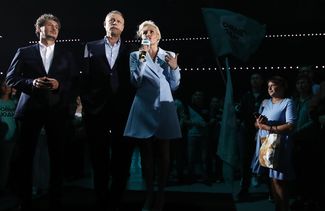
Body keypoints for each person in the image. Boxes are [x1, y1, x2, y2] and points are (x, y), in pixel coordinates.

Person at [5, 13, 78, 211]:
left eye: (57, 26)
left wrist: (59, 84)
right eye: (50, 25)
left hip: (57, 112)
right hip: (30, 111)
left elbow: (73, 82)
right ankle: (25, 202)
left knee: (57, 159)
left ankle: (56, 202)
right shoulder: (24, 51)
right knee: (25, 159)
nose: (55, 28)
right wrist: (31, 83)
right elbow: (11, 79)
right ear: (38, 29)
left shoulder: (66, 54)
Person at [124, 20, 181, 211]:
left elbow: (174, 86)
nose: (148, 34)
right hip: (144, 106)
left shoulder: (169, 55)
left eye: (151, 31)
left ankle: (161, 193)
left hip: (165, 106)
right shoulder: (135, 55)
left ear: (158, 35)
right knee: (146, 154)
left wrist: (174, 68)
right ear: (141, 36)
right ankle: (149, 194)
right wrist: (142, 56)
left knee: (164, 154)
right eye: (144, 32)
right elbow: (136, 81)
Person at [79, 10, 135, 210]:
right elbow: (84, 78)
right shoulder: (90, 46)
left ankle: (117, 199)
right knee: (98, 156)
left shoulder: (132, 50)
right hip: (96, 110)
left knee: (122, 157)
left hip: (123, 110)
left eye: (118, 21)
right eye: (111, 20)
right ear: (104, 24)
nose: (114, 23)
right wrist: (86, 103)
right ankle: (101, 199)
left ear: (123, 26)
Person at [251, 75, 296, 211]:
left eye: (273, 85)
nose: (269, 88)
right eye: (268, 85)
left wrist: (268, 127)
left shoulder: (288, 102)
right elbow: (256, 124)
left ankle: (284, 207)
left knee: (279, 180)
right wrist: (260, 123)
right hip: (265, 143)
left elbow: (291, 125)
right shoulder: (265, 102)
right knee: (271, 178)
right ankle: (278, 207)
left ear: (282, 87)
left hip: (280, 144)